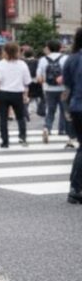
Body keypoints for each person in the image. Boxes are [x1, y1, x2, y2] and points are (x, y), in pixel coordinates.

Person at [57, 27, 82, 204]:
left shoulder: (71, 59)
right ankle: (75, 188)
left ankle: (75, 187)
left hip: (76, 107)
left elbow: (67, 86)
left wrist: (67, 110)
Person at [0, 43, 31, 149]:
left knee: (3, 118)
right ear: (17, 52)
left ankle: (5, 142)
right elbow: (27, 81)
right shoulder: (22, 64)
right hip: (17, 93)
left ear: (5, 51)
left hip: (3, 93)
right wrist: (25, 94)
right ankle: (22, 137)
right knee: (20, 117)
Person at [37, 40, 71, 147]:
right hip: (63, 89)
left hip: (49, 89)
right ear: (60, 47)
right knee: (65, 111)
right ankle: (65, 132)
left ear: (48, 48)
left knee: (50, 110)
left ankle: (47, 128)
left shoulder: (43, 60)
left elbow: (39, 78)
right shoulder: (66, 58)